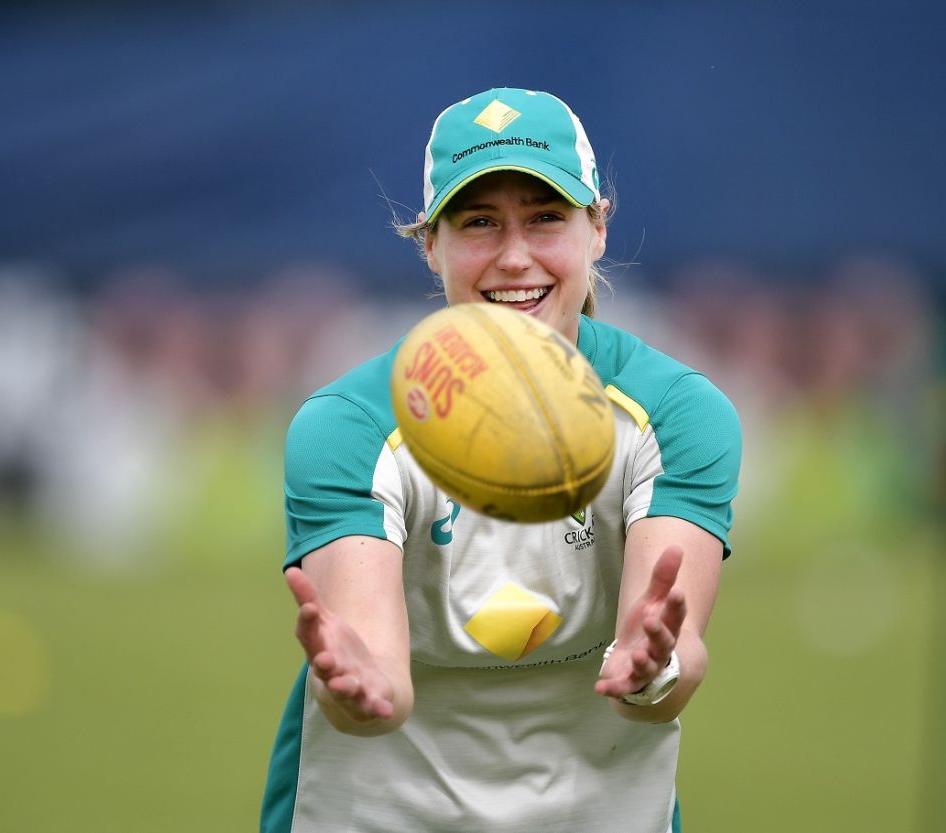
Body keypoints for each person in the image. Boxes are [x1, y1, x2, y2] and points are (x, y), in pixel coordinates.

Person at [261, 87, 742, 833]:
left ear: (597, 229)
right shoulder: (350, 426)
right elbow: (374, 667)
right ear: (431, 243)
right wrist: (357, 686)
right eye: (479, 222)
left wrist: (655, 666)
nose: (514, 257)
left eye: (545, 217)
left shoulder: (678, 415)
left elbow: (670, 658)